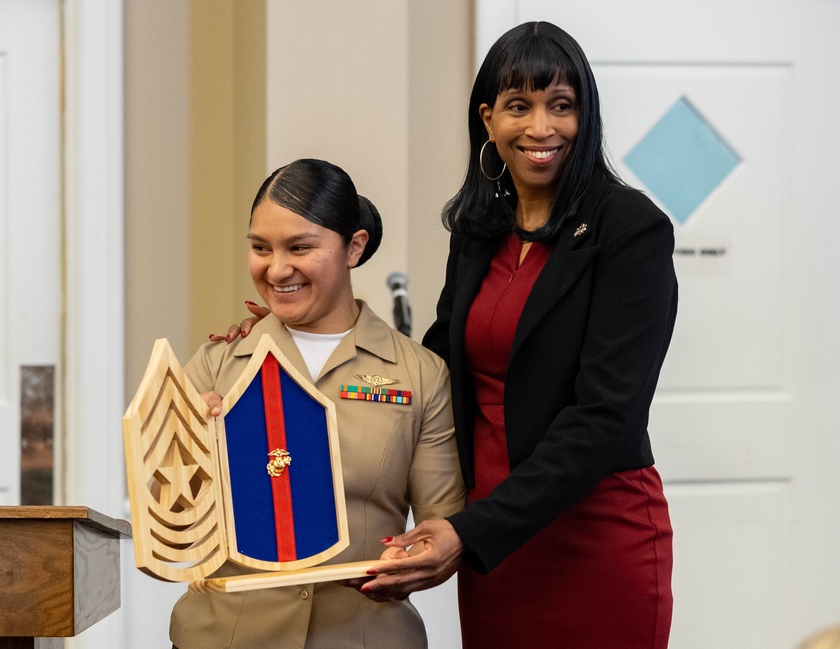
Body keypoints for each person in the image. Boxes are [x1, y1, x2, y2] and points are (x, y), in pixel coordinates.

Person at [357, 20, 678, 648]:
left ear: (586, 115)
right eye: (518, 106)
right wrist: (315, 336)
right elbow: (437, 365)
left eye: (562, 105)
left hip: (594, 534)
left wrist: (473, 531)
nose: (540, 128)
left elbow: (606, 417)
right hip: (496, 545)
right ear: (488, 119)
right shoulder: (480, 229)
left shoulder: (630, 229)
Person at [169, 158, 465, 649]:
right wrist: (193, 450)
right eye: (261, 248)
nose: (277, 268)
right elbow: (173, 522)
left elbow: (442, 528)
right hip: (226, 636)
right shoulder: (217, 364)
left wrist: (411, 563)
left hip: (363, 636)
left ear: (354, 247)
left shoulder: (419, 375)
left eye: (300, 247)